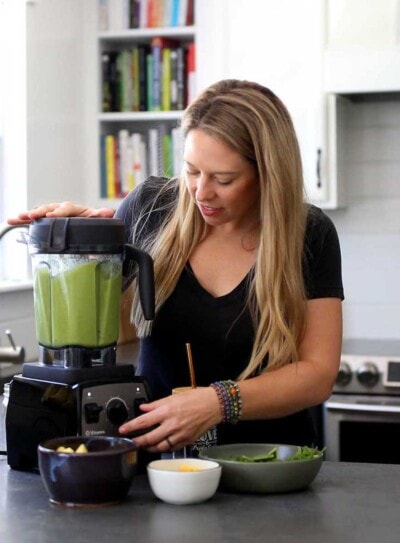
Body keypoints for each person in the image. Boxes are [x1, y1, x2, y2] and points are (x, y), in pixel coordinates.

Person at [9, 79, 344, 457]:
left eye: (224, 179)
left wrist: (217, 403)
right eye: (192, 171)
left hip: (268, 466)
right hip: (158, 466)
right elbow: (94, 316)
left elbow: (317, 375)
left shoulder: (309, 233)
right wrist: (79, 240)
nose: (202, 192)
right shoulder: (151, 207)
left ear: (268, 174)